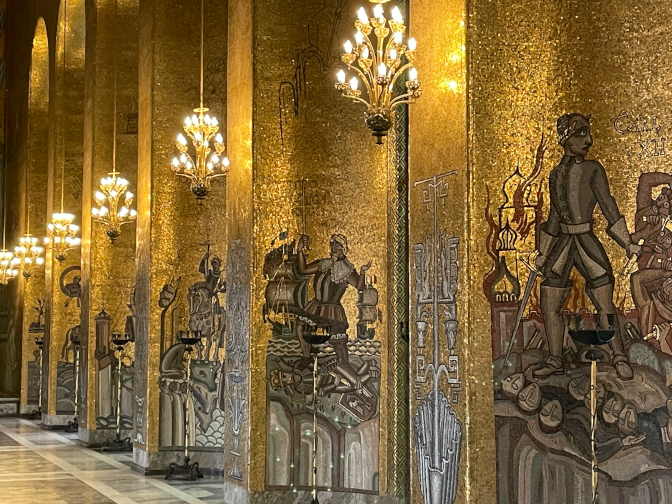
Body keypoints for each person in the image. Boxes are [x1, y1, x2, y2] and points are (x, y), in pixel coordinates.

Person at [534, 113, 640, 380]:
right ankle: (555, 358)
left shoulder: (593, 169)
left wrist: (626, 242)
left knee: (604, 301)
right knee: (549, 298)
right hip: (563, 243)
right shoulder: (555, 174)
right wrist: (543, 252)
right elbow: (554, 217)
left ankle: (618, 356)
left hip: (586, 241)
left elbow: (608, 205)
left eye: (588, 133)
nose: (589, 140)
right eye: (581, 133)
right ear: (565, 138)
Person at [295, 233, 371, 362]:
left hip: (332, 309)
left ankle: (344, 364)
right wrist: (300, 250)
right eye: (333, 245)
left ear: (344, 249)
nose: (334, 248)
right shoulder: (323, 263)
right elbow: (303, 270)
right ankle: (306, 357)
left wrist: (362, 271)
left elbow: (360, 287)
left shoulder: (347, 269)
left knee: (338, 341)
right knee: (301, 326)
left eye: (338, 245)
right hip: (315, 305)